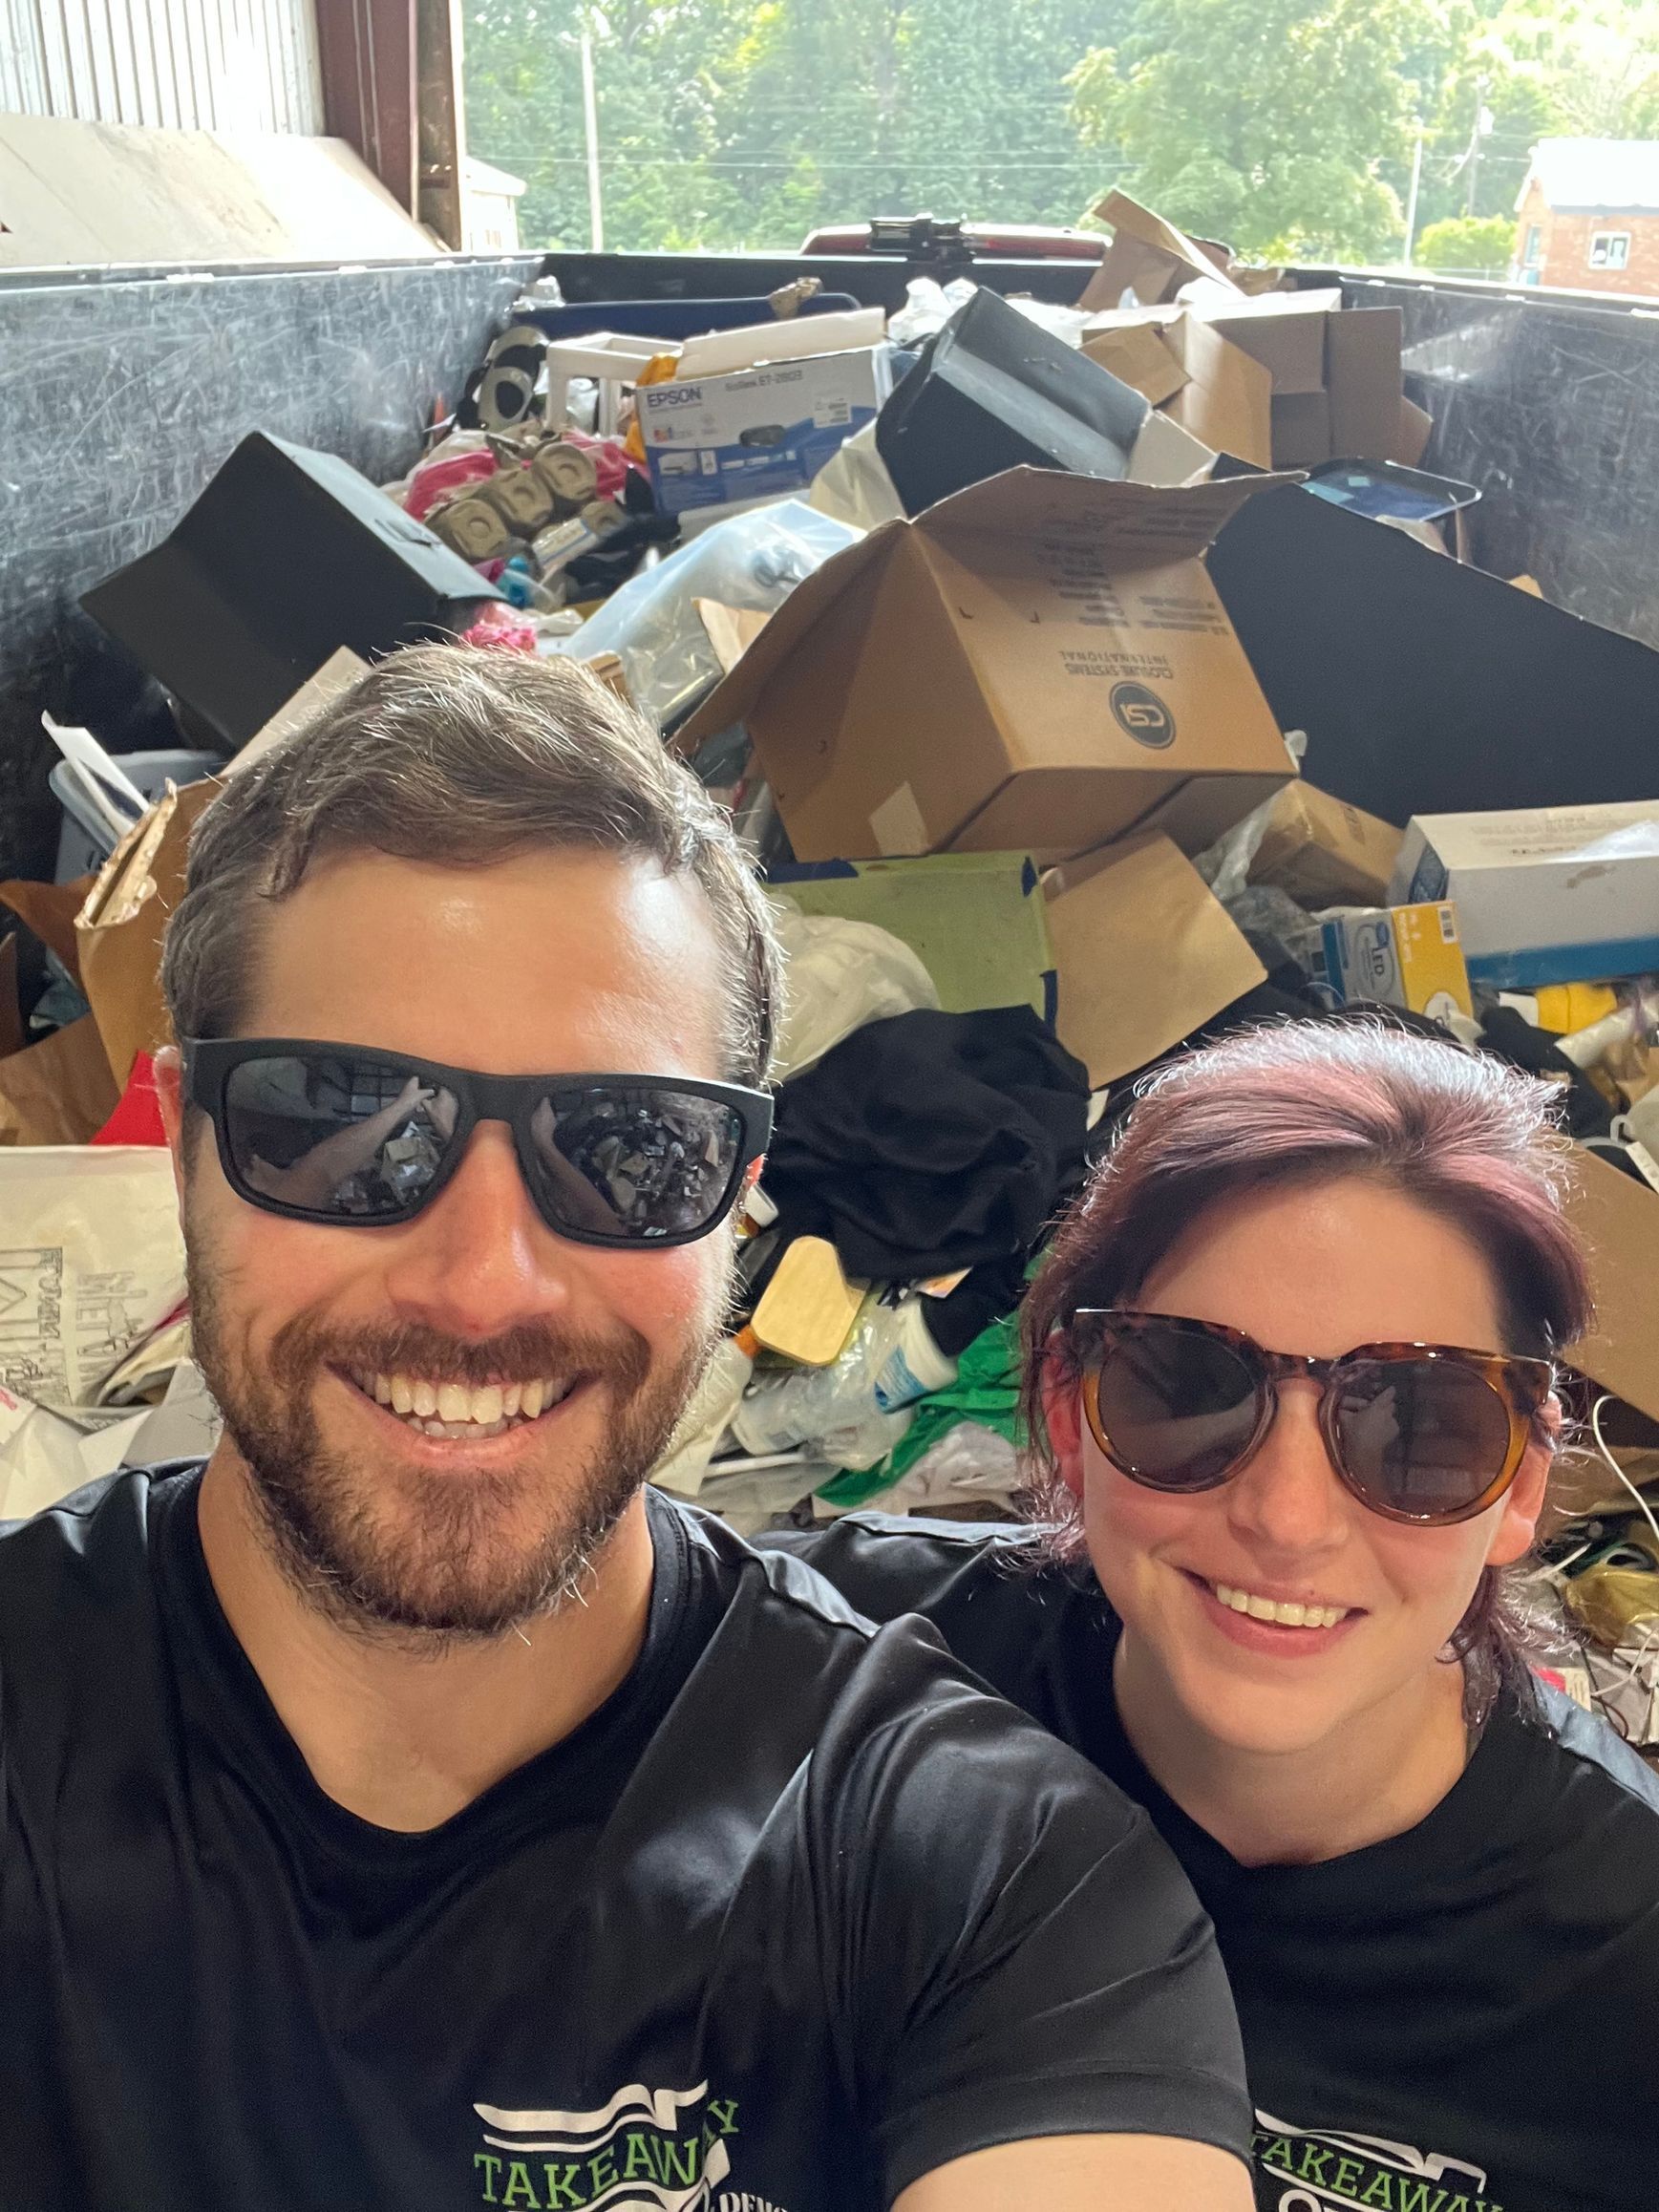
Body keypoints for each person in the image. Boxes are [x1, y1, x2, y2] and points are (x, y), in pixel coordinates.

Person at [0, 649, 1255, 2212]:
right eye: (339, 1123)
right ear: (186, 1152)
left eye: (627, 1149)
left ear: (737, 1202)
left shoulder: (980, 1886)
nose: (480, 1283)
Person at [767, 1023, 1659, 2212]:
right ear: (1069, 1417)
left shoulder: (1626, 1966)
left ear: (1525, 1488)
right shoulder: (819, 1664)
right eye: (1185, 1387)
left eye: (1423, 1422)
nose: (1289, 1520)